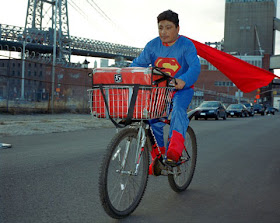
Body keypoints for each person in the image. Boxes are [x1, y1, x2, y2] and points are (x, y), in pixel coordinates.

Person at [130, 9, 201, 174]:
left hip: (181, 90)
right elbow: (139, 63)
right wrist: (124, 73)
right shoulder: (152, 46)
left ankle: (174, 151)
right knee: (153, 118)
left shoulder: (186, 45)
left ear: (178, 28)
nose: (164, 32)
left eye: (168, 27)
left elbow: (195, 67)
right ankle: (159, 157)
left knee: (177, 111)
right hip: (160, 91)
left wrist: (184, 80)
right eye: (160, 27)